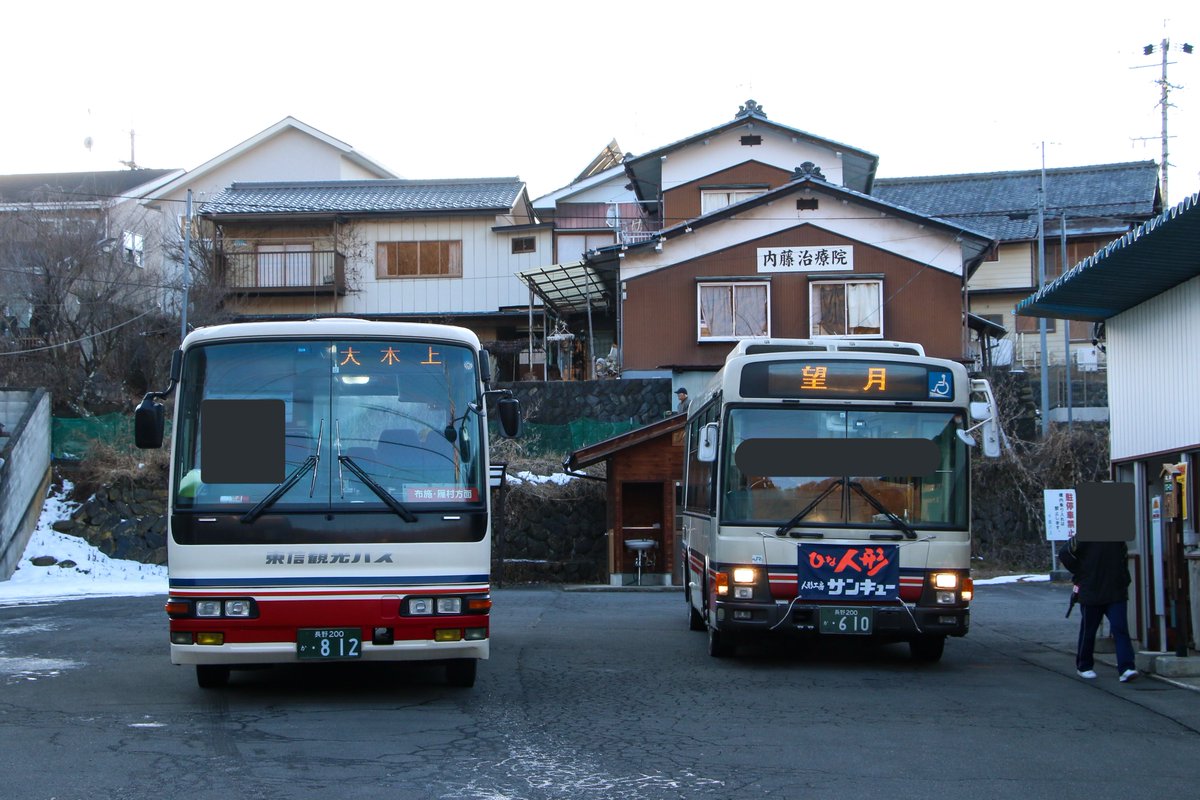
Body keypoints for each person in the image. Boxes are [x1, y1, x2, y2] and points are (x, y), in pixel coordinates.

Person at [1061, 537, 1138, 682]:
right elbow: (1065, 553)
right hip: (1092, 590)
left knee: (1120, 628)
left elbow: (1123, 559)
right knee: (1089, 630)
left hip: (1114, 591)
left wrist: (1123, 581)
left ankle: (1126, 668)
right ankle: (1084, 666)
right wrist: (1081, 572)